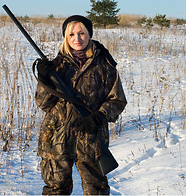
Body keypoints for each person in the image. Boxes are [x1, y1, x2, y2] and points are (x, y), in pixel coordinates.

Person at [34, 15, 127, 195]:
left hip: (92, 140)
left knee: (96, 190)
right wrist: (44, 79)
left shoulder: (105, 66)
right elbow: (44, 104)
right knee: (55, 190)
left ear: (89, 34)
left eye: (82, 33)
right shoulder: (56, 67)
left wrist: (99, 116)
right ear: (65, 37)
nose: (77, 39)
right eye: (71, 35)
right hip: (57, 139)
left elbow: (117, 100)